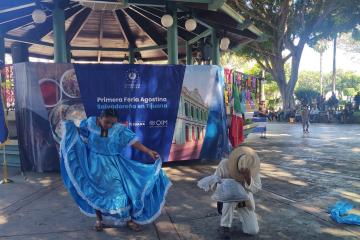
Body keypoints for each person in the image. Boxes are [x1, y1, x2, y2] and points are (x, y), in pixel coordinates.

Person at [60, 108, 172, 232]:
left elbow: (133, 142)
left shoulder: (119, 129)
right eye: (107, 122)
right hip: (94, 166)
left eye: (113, 123)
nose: (110, 125)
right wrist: (70, 127)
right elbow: (81, 136)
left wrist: (148, 151)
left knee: (119, 192)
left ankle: (128, 219)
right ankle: (99, 220)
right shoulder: (89, 123)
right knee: (95, 192)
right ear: (100, 118)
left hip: (113, 165)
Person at [198, 146, 261, 240]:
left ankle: (242, 217)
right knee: (229, 199)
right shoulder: (224, 164)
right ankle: (225, 226)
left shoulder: (252, 167)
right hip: (227, 199)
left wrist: (248, 178)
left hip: (245, 200)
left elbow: (257, 188)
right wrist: (223, 186)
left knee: (252, 231)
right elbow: (213, 183)